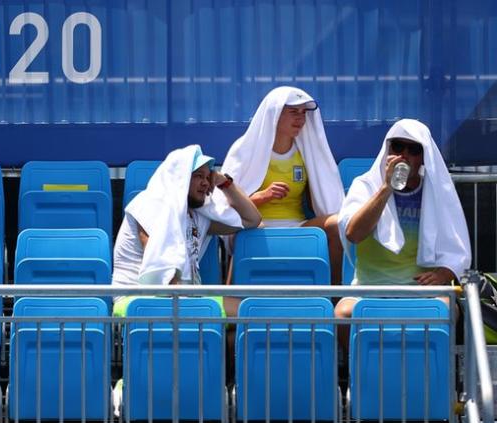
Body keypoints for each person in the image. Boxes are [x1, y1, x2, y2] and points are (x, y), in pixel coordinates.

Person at [335, 119, 471, 319]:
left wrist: (442, 275)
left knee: (445, 309)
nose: (404, 155)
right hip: (370, 288)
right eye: (398, 147)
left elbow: (457, 249)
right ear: (388, 150)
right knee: (343, 313)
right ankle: (356, 352)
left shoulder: (437, 193)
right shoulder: (365, 186)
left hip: (421, 291)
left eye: (414, 149)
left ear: (424, 158)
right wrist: (386, 188)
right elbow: (353, 234)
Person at [111, 144, 262, 317]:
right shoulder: (148, 204)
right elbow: (161, 269)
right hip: (136, 301)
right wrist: (191, 302)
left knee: (249, 313)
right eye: (199, 176)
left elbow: (252, 219)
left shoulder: (198, 216)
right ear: (180, 178)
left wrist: (224, 182)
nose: (206, 183)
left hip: (184, 298)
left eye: (208, 177)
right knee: (247, 313)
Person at [220, 86, 345, 284]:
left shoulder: (307, 152)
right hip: (256, 226)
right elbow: (227, 207)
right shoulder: (245, 150)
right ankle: (231, 299)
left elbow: (321, 202)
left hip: (298, 225)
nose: (300, 119)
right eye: (293, 112)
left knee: (338, 224)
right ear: (275, 114)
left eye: (304, 113)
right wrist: (263, 196)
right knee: (248, 233)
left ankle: (335, 297)